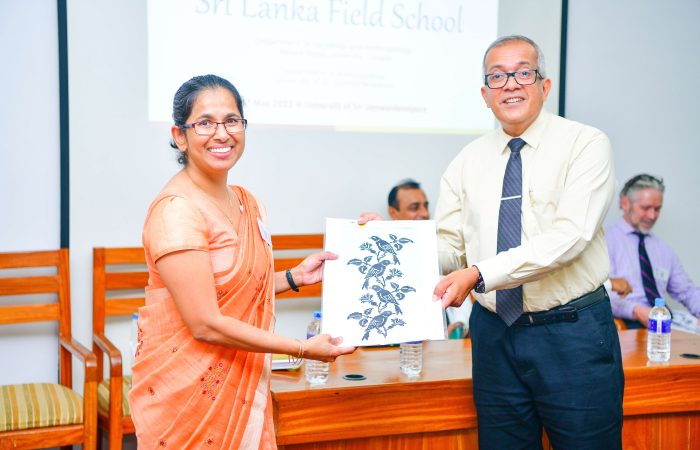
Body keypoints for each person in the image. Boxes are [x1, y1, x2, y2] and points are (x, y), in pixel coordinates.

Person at [128, 74, 355, 450]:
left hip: (240, 379)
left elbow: (234, 285)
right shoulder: (176, 212)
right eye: (205, 123)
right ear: (180, 136)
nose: (222, 134)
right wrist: (301, 348)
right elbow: (205, 322)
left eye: (232, 120)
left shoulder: (246, 202)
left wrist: (294, 277)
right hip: (187, 395)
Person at [432, 35, 623, 449]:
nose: (511, 85)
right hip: (494, 335)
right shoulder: (466, 161)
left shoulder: (585, 145)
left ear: (544, 85)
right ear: (485, 95)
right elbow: (450, 248)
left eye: (523, 73)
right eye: (497, 77)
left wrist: (479, 274)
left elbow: (569, 237)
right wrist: (390, 243)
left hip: (571, 334)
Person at [606, 174, 700, 329]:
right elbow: (599, 294)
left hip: (664, 325)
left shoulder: (663, 250)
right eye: (645, 208)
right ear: (625, 203)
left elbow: (687, 291)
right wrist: (635, 310)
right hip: (626, 324)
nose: (652, 216)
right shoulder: (605, 242)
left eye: (657, 209)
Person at [387, 179, 471, 337]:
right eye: (414, 207)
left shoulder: (443, 248)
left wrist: (459, 327)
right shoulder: (385, 255)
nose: (425, 213)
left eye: (425, 206)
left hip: (444, 339)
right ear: (393, 212)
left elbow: (460, 295)